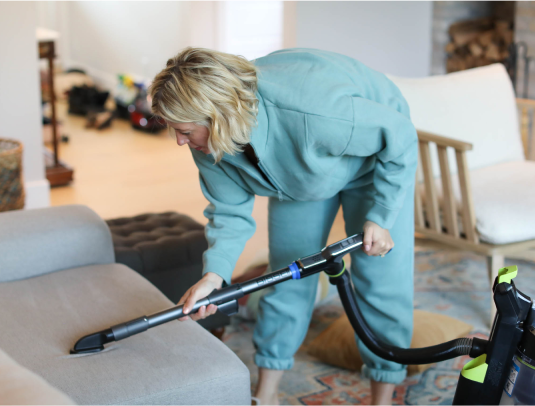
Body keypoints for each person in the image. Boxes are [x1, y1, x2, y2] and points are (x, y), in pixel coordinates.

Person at [149, 47, 417, 406]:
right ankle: (268, 392)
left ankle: (382, 397)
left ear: (217, 115)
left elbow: (399, 137)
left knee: (381, 281)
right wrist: (214, 276)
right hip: (302, 175)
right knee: (288, 275)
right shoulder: (207, 144)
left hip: (373, 163)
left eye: (184, 131)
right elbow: (228, 213)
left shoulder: (314, 111)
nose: (180, 141)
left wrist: (381, 216)